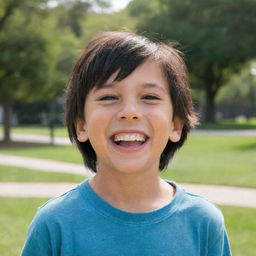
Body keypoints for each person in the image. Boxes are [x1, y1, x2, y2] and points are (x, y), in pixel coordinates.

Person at [21, 32, 232, 256]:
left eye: (149, 97)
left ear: (176, 125)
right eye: (108, 97)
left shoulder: (203, 222)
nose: (130, 112)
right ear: (81, 126)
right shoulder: (54, 225)